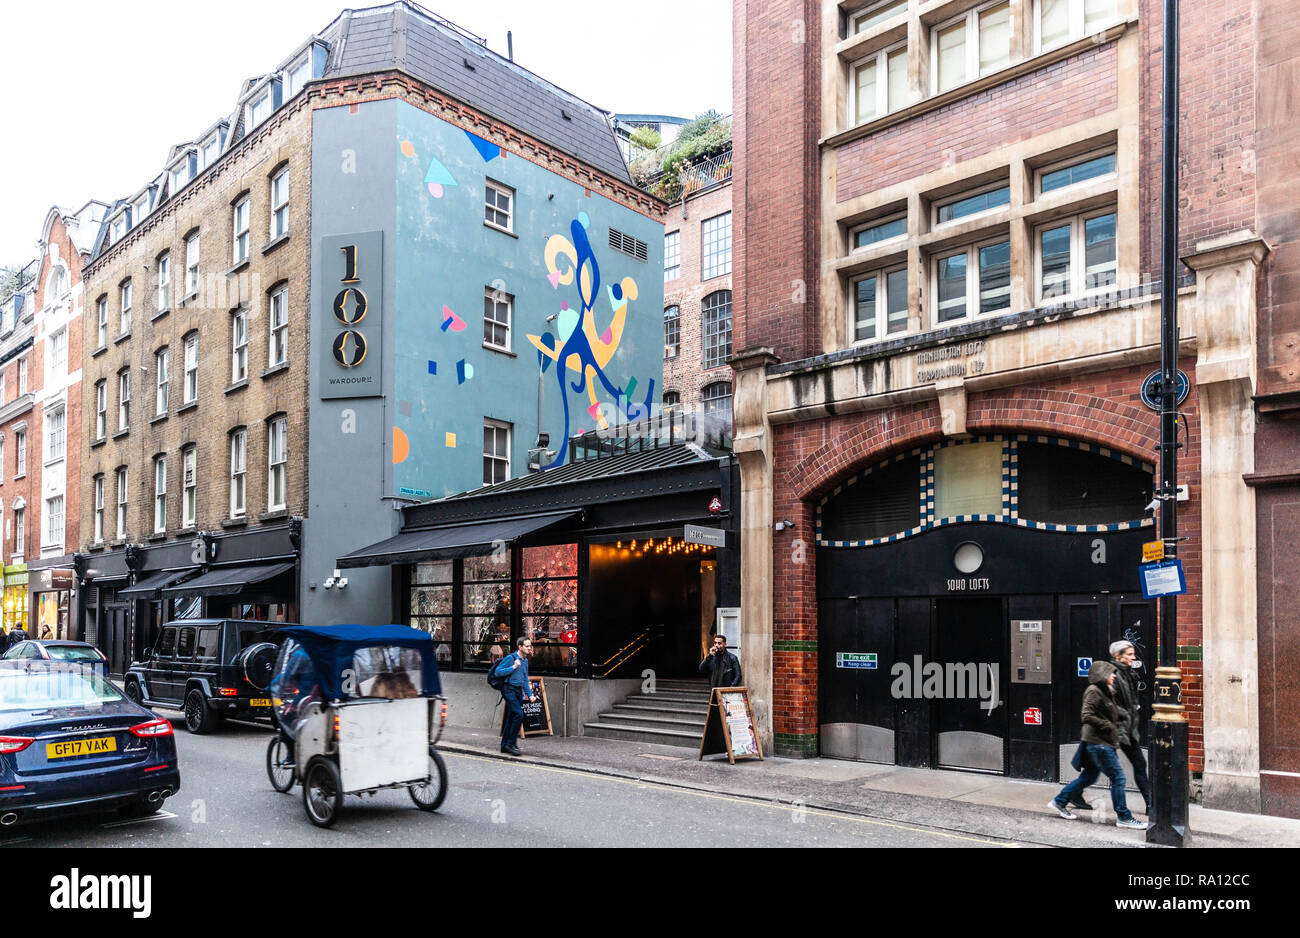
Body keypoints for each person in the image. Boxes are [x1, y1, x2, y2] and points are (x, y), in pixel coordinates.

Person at [1049, 659, 1146, 829]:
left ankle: (1059, 801)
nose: (1114, 676)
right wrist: (1108, 725)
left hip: (1103, 741)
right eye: (1111, 673)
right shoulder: (1093, 691)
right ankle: (1123, 816)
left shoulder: (1106, 690)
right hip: (1098, 742)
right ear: (1102, 676)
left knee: (1090, 776)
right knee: (1118, 778)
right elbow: (1086, 715)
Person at [1110, 639, 1152, 814]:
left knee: (1140, 764)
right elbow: (1109, 703)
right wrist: (1126, 714)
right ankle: (1066, 797)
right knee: (1095, 769)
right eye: (1129, 654)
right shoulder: (1112, 675)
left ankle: (1150, 804)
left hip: (1127, 729)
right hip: (1114, 729)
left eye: (1133, 654)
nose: (1133, 658)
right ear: (1117, 656)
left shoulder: (1130, 675)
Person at [493, 637, 537, 756]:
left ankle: (505, 745)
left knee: (511, 717)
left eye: (530, 646)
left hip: (518, 691)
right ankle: (511, 744)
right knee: (518, 714)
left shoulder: (525, 661)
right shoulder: (511, 658)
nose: (529, 648)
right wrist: (513, 667)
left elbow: (524, 679)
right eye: (527, 646)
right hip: (508, 689)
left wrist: (530, 694)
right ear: (520, 647)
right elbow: (497, 672)